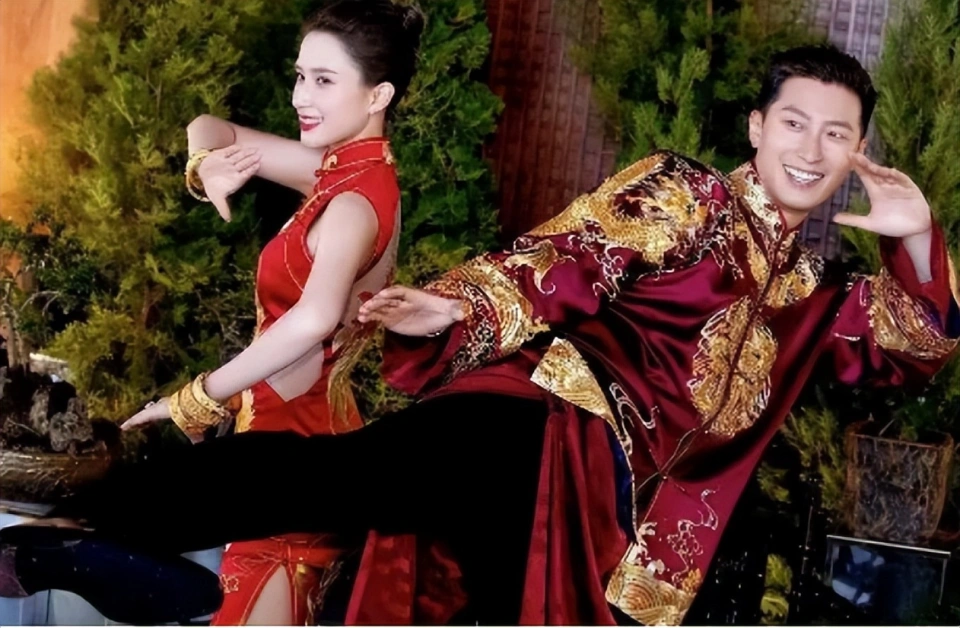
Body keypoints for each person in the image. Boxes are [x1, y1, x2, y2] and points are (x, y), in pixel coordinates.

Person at [2, 44, 958, 626]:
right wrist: (460, 308)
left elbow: (913, 349)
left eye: (837, 135)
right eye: (794, 123)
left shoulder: (816, 295)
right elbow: (571, 254)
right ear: (756, 127)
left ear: (856, 152)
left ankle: (76, 545)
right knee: (340, 477)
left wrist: (916, 236)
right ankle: (76, 515)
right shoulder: (689, 197)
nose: (810, 150)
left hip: (608, 521)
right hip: (541, 428)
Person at [1, 1, 423, 625]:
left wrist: (197, 398)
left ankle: (91, 558)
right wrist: (206, 168)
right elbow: (210, 126)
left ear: (378, 95)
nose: (301, 96)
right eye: (300, 75)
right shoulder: (334, 175)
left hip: (291, 466)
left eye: (324, 80)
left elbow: (314, 318)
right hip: (268, 445)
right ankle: (94, 558)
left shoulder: (354, 204)